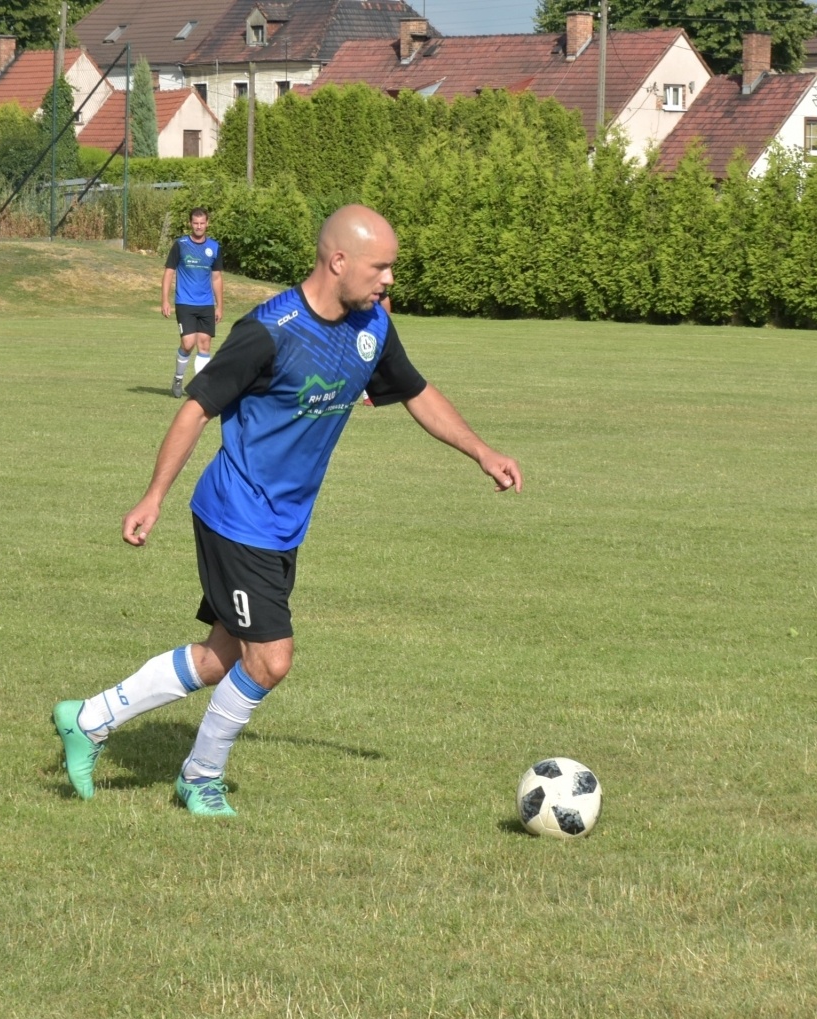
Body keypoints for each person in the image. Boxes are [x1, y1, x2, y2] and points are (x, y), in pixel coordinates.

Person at [53, 204, 523, 817]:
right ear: (338, 261)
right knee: (270, 659)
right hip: (236, 514)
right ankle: (200, 776)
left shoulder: (373, 325)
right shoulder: (269, 330)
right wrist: (153, 497)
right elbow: (196, 408)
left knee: (221, 656)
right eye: (380, 267)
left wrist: (482, 451)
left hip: (281, 523)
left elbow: (414, 391)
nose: (389, 281)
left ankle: (88, 718)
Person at [161, 207, 224, 398]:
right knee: (188, 344)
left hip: (206, 304)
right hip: (185, 302)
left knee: (204, 345)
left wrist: (220, 305)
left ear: (207, 223)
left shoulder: (214, 247)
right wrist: (164, 300)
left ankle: (200, 389)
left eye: (202, 223)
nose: (199, 226)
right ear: (190, 223)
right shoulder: (180, 245)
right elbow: (169, 272)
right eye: (195, 223)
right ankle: (178, 378)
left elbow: (217, 278)